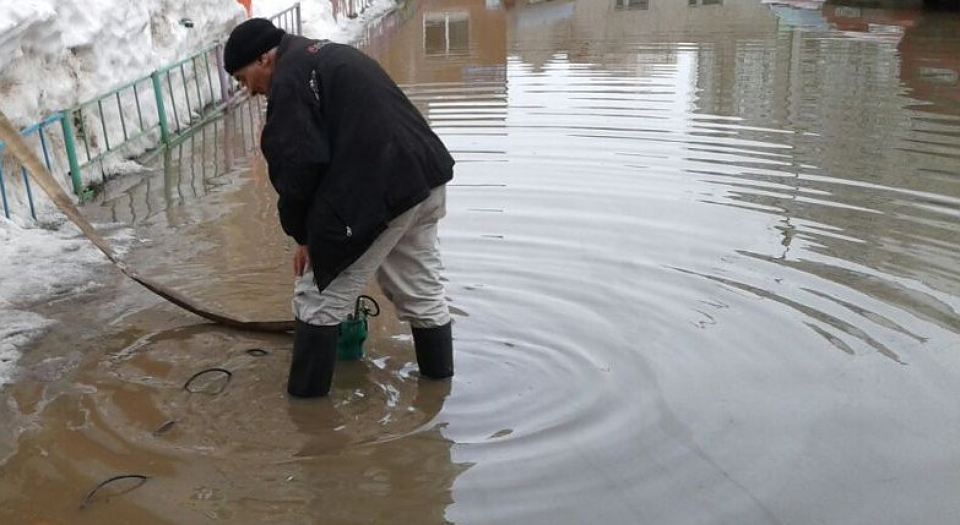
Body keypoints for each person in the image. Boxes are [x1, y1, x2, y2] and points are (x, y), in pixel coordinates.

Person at [223, 18, 455, 398]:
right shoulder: (326, 53)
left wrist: (305, 237)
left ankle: (308, 421)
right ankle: (439, 393)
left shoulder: (290, 78)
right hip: (424, 177)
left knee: (315, 298)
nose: (248, 91)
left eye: (243, 78)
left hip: (384, 188)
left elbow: (298, 166)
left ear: (265, 58)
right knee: (421, 292)